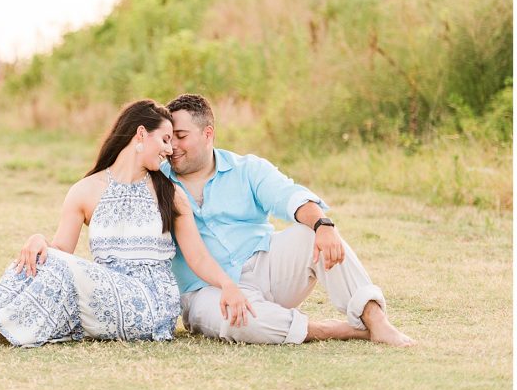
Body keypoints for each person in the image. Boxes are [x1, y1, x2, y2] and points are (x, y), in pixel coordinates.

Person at [0, 99, 256, 350]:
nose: (170, 150)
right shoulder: (85, 191)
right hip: (104, 298)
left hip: (151, 306)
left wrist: (227, 285)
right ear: (141, 134)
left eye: (173, 141)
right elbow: (61, 251)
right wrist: (39, 240)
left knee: (55, 264)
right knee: (30, 261)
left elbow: (197, 258)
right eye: (165, 139)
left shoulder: (170, 194)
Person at [160, 93, 415, 347]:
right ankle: (333, 330)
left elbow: (288, 195)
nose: (173, 148)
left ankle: (377, 321)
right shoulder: (157, 180)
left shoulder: (247, 169)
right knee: (238, 321)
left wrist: (322, 225)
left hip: (265, 267)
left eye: (181, 137)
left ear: (207, 134)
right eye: (169, 139)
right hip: (206, 289)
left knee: (312, 235)